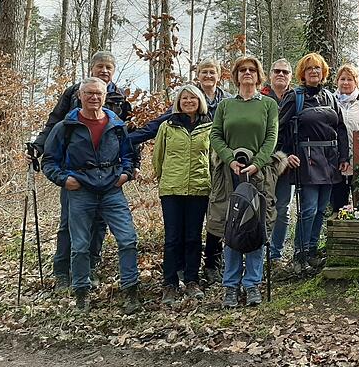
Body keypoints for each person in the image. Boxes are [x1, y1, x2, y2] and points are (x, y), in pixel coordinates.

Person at [31, 51, 131, 291]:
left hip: (106, 177)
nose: (104, 71)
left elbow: (126, 133)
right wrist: (38, 146)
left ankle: (91, 267)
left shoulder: (119, 98)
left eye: (108, 67)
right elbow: (54, 122)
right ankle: (63, 271)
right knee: (68, 224)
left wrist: (128, 168)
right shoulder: (74, 92)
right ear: (91, 68)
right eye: (100, 66)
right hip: (74, 173)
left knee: (99, 224)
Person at [42, 77, 140, 314]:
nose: (94, 97)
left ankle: (131, 293)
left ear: (105, 96)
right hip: (80, 191)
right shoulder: (65, 127)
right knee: (80, 246)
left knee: (127, 239)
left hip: (112, 190)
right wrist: (65, 179)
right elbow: (49, 161)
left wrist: (125, 174)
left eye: (98, 93)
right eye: (89, 93)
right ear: (80, 96)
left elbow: (129, 155)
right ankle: (81, 295)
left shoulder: (116, 125)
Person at [129, 58, 232, 283]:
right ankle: (177, 274)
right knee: (178, 233)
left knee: (211, 223)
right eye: (203, 72)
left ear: (219, 75)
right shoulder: (180, 109)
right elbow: (158, 139)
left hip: (209, 178)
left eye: (212, 72)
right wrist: (128, 140)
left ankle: (211, 265)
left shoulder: (228, 102)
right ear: (198, 76)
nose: (208, 76)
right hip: (176, 183)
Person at [209, 56, 279, 308]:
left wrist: (257, 163)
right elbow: (215, 134)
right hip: (229, 175)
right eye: (242, 70)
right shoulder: (225, 105)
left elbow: (271, 136)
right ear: (236, 75)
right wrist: (229, 159)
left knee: (254, 225)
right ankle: (230, 286)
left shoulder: (268, 104)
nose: (247, 73)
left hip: (258, 174)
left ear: (259, 75)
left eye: (252, 70)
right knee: (231, 227)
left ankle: (252, 284)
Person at [277, 53, 349, 273]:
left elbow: (341, 129)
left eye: (317, 68)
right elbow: (279, 129)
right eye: (309, 69)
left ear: (323, 72)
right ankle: (299, 254)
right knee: (307, 208)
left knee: (320, 209)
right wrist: (286, 155)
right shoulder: (294, 97)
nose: (314, 72)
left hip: (329, 160)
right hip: (305, 160)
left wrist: (344, 157)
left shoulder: (330, 97)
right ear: (303, 74)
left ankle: (312, 250)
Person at [152, 84, 212, 304]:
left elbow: (213, 158)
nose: (188, 101)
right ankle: (169, 283)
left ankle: (191, 279)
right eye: (184, 98)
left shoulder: (209, 127)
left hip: (199, 188)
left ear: (199, 102)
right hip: (172, 189)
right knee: (173, 237)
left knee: (194, 237)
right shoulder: (167, 126)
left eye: (192, 98)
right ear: (178, 102)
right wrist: (164, 179)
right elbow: (157, 158)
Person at [262, 59, 296, 267]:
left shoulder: (296, 98)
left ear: (291, 76)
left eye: (285, 72)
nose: (280, 75)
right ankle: (260, 251)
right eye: (277, 71)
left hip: (288, 162)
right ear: (270, 74)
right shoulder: (261, 98)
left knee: (283, 208)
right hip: (264, 162)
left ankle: (275, 254)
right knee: (263, 207)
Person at [330, 64, 359, 214]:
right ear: (337, 81)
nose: (346, 82)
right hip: (336, 161)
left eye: (350, 79)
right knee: (337, 204)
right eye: (342, 79)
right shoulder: (330, 102)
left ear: (356, 82)